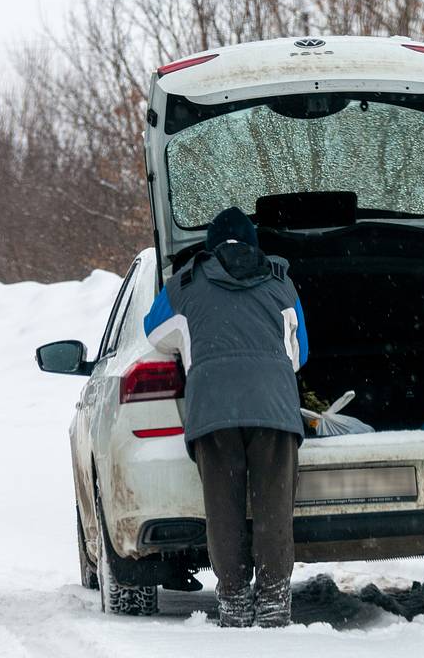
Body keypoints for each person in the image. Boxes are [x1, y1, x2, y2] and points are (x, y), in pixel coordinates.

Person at [142, 206, 308, 628]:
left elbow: (154, 334)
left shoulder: (184, 286)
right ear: (253, 245)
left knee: (224, 508)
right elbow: (298, 355)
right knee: (272, 508)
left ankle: (233, 599)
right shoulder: (280, 282)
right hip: (272, 408)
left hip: (213, 411)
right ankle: (272, 600)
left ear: (211, 247)